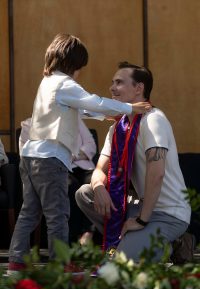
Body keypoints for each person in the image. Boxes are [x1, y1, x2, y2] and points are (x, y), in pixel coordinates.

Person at [8, 34, 151, 274]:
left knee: (29, 212)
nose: (79, 73)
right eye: (79, 68)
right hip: (49, 158)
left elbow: (77, 107)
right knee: (57, 214)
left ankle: (17, 259)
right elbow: (91, 101)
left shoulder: (48, 82)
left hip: (30, 155)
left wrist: (101, 115)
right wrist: (129, 108)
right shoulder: (65, 83)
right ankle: (60, 263)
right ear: (73, 64)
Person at [76, 61, 191, 262]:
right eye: (112, 82)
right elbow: (99, 170)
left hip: (165, 212)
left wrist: (141, 220)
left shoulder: (153, 119)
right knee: (85, 193)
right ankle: (137, 238)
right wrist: (98, 187)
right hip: (136, 206)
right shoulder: (117, 128)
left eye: (119, 82)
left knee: (122, 265)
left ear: (139, 88)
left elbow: (157, 174)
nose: (112, 88)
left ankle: (173, 243)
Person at [18, 116, 96, 243]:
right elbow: (26, 155)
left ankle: (88, 231)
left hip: (80, 165)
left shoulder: (74, 119)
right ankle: (74, 238)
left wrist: (72, 156)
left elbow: (91, 145)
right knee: (71, 188)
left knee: (95, 184)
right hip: (55, 168)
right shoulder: (28, 125)